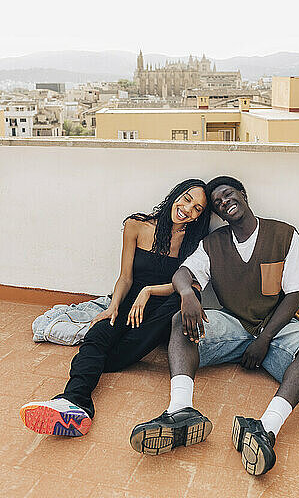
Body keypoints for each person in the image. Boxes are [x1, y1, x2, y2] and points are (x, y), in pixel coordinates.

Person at [130, 176, 299, 476]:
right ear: (219, 214)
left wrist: (264, 340)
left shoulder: (283, 234)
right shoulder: (213, 244)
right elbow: (183, 273)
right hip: (234, 326)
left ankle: (265, 430)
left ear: (243, 195)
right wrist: (187, 293)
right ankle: (180, 411)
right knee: (179, 321)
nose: (224, 202)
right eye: (218, 203)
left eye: (228, 194)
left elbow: (294, 297)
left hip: (272, 329)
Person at [20, 179, 210, 437]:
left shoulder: (195, 241)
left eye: (198, 208)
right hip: (131, 303)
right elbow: (125, 278)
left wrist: (150, 290)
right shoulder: (135, 226)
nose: (188, 209)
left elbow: (186, 283)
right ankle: (75, 402)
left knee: (176, 306)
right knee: (97, 336)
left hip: (162, 309)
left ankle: (83, 388)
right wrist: (113, 306)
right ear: (176, 194)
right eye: (187, 199)